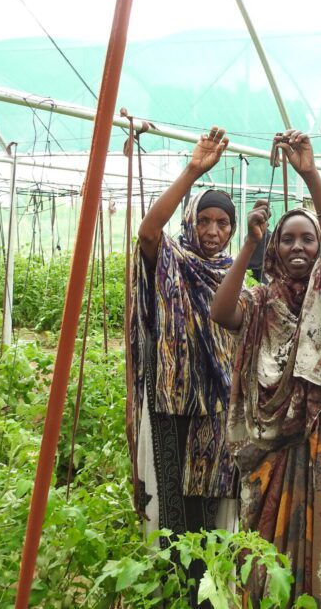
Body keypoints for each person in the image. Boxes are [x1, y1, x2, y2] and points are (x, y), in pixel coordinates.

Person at [211, 129, 321, 609]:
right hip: (271, 451)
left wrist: (310, 175)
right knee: (264, 566)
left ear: (318, 247)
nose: (297, 246)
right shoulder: (263, 300)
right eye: (286, 239)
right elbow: (222, 312)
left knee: (319, 553)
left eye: (307, 238)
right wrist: (249, 245)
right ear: (275, 250)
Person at [126, 126, 240, 599]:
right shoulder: (171, 258)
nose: (213, 231)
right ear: (191, 220)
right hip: (171, 405)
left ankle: (206, 593)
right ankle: (171, 589)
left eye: (223, 223)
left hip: (218, 409)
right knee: (172, 508)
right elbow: (147, 232)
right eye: (205, 220)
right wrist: (193, 171)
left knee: (211, 505)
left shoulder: (235, 273)